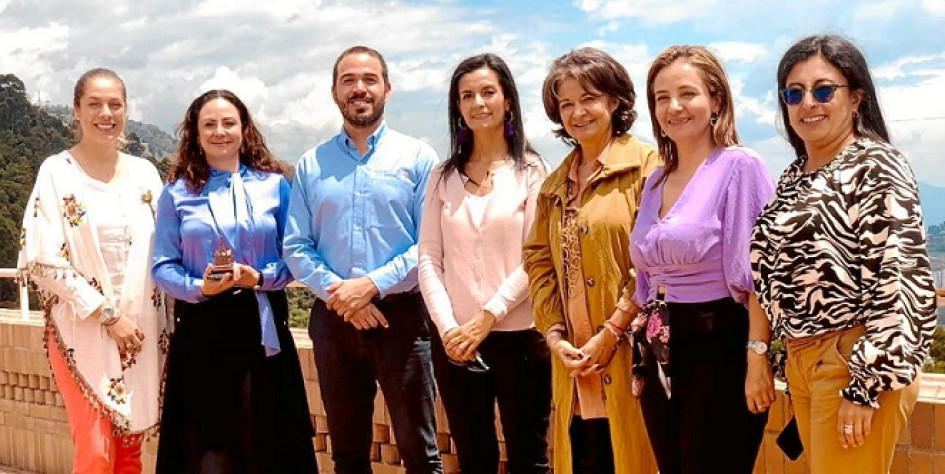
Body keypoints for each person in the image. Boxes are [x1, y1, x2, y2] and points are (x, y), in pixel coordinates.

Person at [750, 34, 936, 473]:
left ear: (855, 98)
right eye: (794, 93)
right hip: (804, 360)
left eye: (823, 89)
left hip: (853, 361)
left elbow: (900, 278)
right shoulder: (796, 174)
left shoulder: (875, 165)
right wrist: (762, 350)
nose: (807, 103)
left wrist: (865, 386)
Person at [284, 45, 442, 474]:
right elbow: (296, 246)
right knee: (348, 453)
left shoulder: (418, 158)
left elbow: (429, 242)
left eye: (369, 79)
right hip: (334, 323)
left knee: (419, 451)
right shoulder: (311, 164)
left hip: (403, 321)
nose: (360, 88)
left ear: (387, 88)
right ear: (335, 91)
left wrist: (370, 285)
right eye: (349, 80)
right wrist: (343, 296)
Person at [152, 89, 316, 473]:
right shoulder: (176, 194)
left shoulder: (275, 186)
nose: (220, 131)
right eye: (209, 124)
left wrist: (259, 276)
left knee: (270, 441)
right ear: (194, 132)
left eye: (229, 122)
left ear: (245, 129)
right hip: (201, 326)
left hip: (263, 326)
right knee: (207, 446)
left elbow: (294, 255)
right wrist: (199, 287)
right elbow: (162, 266)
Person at [629, 45, 774, 474]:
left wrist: (757, 358)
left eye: (687, 93)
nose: (673, 107)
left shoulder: (740, 167)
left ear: (716, 99)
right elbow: (645, 276)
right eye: (661, 97)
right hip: (659, 345)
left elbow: (760, 277)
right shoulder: (656, 180)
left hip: (719, 343)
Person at [18, 68, 166, 473]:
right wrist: (107, 314)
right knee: (96, 448)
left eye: (115, 104)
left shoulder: (145, 174)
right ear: (77, 111)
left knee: (129, 451)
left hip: (142, 330)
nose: (106, 113)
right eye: (95, 104)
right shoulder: (57, 171)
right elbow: (43, 257)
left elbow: (168, 246)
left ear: (126, 109)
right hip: (81, 329)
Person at [522, 47, 659, 474]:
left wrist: (612, 330)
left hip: (629, 360)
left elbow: (651, 261)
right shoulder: (553, 184)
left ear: (614, 101)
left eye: (588, 98)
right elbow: (538, 260)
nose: (577, 112)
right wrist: (554, 335)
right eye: (566, 104)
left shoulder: (647, 166)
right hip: (572, 369)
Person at [417, 53, 552, 473]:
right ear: (457, 107)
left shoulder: (532, 171)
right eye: (467, 95)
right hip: (456, 342)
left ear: (507, 99)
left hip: (520, 338)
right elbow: (428, 257)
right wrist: (449, 328)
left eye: (488, 92)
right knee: (474, 459)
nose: (478, 103)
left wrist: (487, 317)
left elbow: (536, 257)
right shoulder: (442, 176)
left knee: (529, 458)